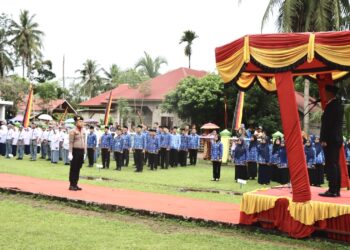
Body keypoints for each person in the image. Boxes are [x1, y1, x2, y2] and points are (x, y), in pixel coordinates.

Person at [319, 85, 344, 197]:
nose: (324, 94)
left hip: (330, 139)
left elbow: (327, 125)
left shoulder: (331, 106)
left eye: (325, 92)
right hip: (336, 138)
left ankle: (332, 190)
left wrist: (323, 139)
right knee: (335, 164)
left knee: (331, 164)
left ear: (329, 93)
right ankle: (336, 189)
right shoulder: (338, 105)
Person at [68, 115, 86, 191]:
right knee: (74, 168)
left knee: (78, 168)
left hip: (81, 151)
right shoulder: (72, 131)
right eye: (80, 121)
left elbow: (85, 142)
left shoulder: (83, 130)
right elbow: (71, 142)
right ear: (76, 122)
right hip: (75, 151)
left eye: (82, 121)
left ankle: (76, 183)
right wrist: (70, 153)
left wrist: (85, 152)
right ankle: (72, 184)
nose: (81, 123)